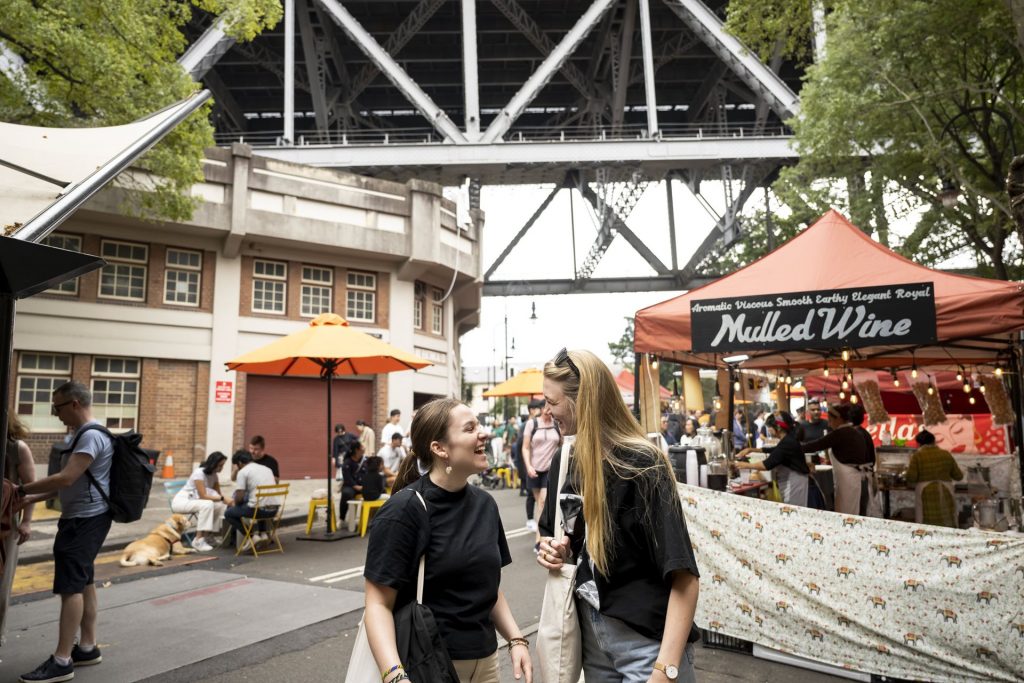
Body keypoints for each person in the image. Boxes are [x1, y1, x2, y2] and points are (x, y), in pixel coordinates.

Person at [537, 349, 699, 683]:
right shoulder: (565, 459)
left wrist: (665, 671)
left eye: (551, 402)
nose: (546, 412)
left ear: (583, 401)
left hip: (647, 645)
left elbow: (684, 577)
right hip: (591, 640)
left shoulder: (643, 464)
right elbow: (553, 537)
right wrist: (555, 550)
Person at [362, 398, 532, 683]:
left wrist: (516, 639)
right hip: (429, 665)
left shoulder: (485, 505)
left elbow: (488, 589)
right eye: (470, 428)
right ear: (440, 449)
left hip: (487, 663)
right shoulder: (404, 510)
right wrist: (394, 676)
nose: (484, 433)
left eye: (479, 425)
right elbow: (377, 604)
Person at [14, 382, 114, 681]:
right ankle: (87, 646)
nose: (55, 414)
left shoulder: (90, 437)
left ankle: (61, 660)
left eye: (56, 407)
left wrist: (20, 488)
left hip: (83, 520)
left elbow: (66, 478)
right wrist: (31, 497)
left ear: (73, 404)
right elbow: (73, 483)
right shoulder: (88, 434)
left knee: (71, 587)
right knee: (85, 581)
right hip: (88, 516)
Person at [735, 413, 825, 508]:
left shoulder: (787, 443)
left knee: (799, 518)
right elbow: (774, 449)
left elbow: (766, 465)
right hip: (799, 485)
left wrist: (743, 464)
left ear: (778, 427)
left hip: (800, 488)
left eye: (769, 427)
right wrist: (751, 449)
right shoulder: (788, 440)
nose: (768, 430)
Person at [800, 404, 874, 515]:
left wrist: (792, 447)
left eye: (830, 420)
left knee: (846, 512)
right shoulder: (853, 432)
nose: (829, 424)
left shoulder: (840, 433)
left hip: (847, 479)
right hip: (852, 478)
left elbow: (815, 445)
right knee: (851, 510)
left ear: (838, 419)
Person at [1, 413, 36, 645]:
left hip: (6, 523)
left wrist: (26, 521)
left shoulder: (17, 448)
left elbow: (31, 488)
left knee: (2, 583)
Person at [171, 452, 229, 552]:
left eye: (223, 465)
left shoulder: (214, 475)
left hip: (195, 501)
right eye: (220, 465)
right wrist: (223, 499)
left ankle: (207, 536)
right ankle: (198, 540)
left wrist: (226, 500)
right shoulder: (199, 473)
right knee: (208, 504)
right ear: (213, 464)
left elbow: (218, 495)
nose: (222, 468)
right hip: (183, 501)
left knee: (219, 505)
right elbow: (204, 496)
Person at [904, 429, 963, 527]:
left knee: (926, 520)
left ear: (919, 443)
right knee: (948, 518)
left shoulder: (917, 456)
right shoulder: (945, 454)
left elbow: (911, 477)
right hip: (946, 490)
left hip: (925, 491)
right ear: (934, 441)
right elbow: (958, 476)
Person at [522, 400, 560, 547]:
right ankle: (542, 537)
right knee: (540, 504)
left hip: (550, 470)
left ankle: (540, 540)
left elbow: (563, 444)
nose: (547, 409)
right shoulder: (532, 424)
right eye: (544, 406)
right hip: (534, 469)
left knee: (543, 502)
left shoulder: (556, 424)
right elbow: (525, 448)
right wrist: (528, 466)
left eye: (550, 407)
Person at [224, 450, 279, 551]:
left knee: (229, 513)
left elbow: (239, 497)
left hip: (259, 511)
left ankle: (251, 537)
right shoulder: (267, 469)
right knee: (257, 501)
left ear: (239, 463)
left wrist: (234, 503)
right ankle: (263, 534)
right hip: (274, 510)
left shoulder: (243, 472)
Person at [513, 401, 542, 508]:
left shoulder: (542, 423)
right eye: (540, 409)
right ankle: (530, 520)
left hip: (539, 462)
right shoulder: (527, 425)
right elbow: (521, 444)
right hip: (528, 460)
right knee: (532, 494)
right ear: (532, 410)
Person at [339, 441, 367, 525]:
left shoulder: (365, 460)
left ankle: (370, 518)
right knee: (346, 493)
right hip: (350, 486)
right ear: (357, 450)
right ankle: (342, 518)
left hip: (363, 485)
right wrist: (356, 486)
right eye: (362, 447)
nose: (364, 449)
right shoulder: (347, 462)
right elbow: (347, 478)